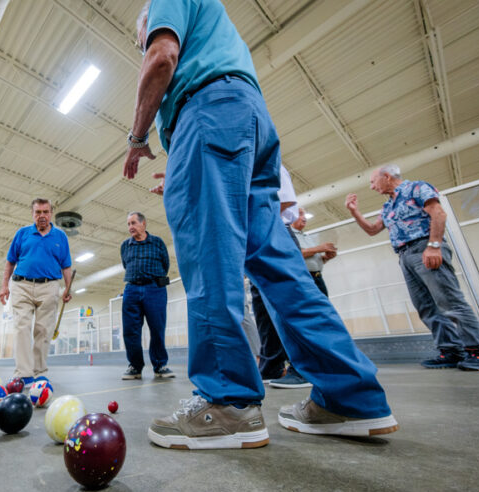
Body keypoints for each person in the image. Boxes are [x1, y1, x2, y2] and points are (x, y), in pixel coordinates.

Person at [123, 0, 398, 449]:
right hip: (247, 120)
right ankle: (351, 396)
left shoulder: (164, 8)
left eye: (141, 35)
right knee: (279, 265)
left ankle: (227, 401)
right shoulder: (217, 28)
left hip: (208, 113)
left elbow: (161, 58)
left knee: (210, 258)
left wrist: (137, 139)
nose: (143, 42)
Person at [345, 164, 479, 371]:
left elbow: (438, 214)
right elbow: (373, 230)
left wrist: (434, 246)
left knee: (450, 302)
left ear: (387, 176)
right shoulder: (388, 206)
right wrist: (355, 212)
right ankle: (451, 351)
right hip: (404, 255)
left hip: (425, 247)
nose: (372, 187)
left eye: (373, 182)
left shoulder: (416, 188)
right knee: (426, 307)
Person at [250, 165, 311, 389]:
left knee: (289, 302)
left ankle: (305, 368)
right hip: (255, 240)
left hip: (273, 231)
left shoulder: (267, 158)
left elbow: (283, 201)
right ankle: (272, 365)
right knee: (263, 310)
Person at [0, 198, 74, 384]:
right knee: (22, 327)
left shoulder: (60, 237)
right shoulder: (22, 233)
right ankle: (23, 374)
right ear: (32, 214)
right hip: (22, 285)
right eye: (38, 212)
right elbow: (10, 261)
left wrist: (67, 288)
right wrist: (4, 286)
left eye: (45, 212)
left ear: (51, 214)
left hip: (49, 287)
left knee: (43, 330)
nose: (42, 216)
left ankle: (39, 371)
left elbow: (66, 265)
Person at [120, 211, 175, 380]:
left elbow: (165, 264)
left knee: (157, 328)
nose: (131, 227)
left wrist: (151, 279)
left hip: (155, 289)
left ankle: (160, 365)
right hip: (131, 289)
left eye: (134, 223)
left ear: (144, 224)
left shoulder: (157, 243)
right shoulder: (125, 246)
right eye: (129, 224)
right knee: (131, 331)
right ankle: (135, 367)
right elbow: (125, 264)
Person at [290, 207, 337, 297]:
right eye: (300, 214)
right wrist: (319, 248)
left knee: (324, 308)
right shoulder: (289, 235)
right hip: (304, 279)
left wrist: (326, 258)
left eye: (304, 214)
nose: (304, 217)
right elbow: (295, 255)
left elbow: (312, 259)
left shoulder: (307, 236)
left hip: (318, 278)